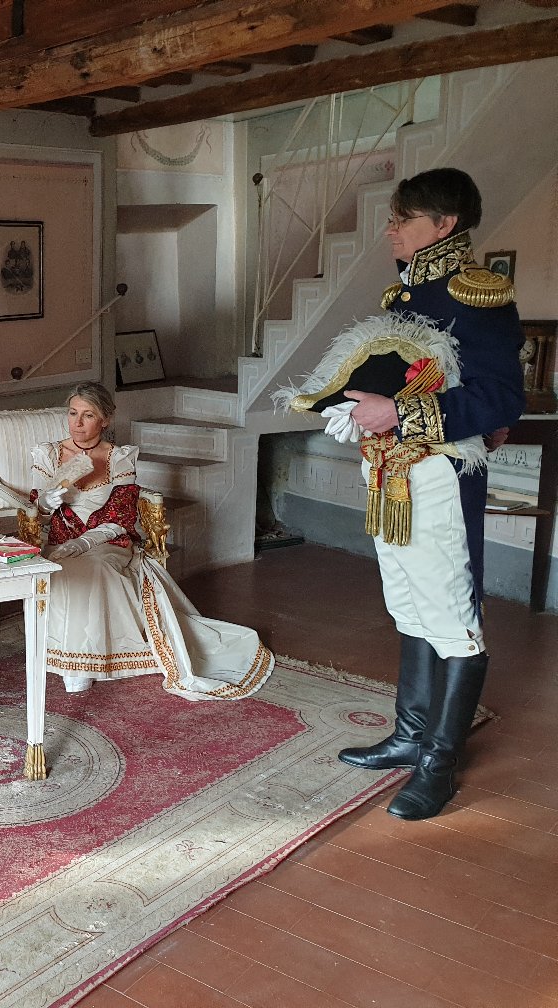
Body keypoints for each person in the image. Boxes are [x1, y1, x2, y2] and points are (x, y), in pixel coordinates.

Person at [290, 168, 524, 821]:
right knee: (410, 604)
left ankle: (439, 765)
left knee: (450, 614)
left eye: (402, 219)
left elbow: (502, 397)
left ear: (443, 225)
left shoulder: (478, 297)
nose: (389, 230)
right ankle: (411, 735)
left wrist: (397, 413)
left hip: (440, 475)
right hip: (391, 471)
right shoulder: (408, 293)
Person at [30, 381, 274, 700]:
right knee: (63, 571)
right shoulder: (48, 454)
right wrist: (45, 502)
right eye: (73, 413)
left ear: (105, 419)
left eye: (88, 415)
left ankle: (83, 666)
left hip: (106, 543)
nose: (77, 423)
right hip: (59, 541)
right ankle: (68, 660)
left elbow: (120, 518)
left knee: (94, 570)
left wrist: (83, 544)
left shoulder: (119, 458)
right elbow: (35, 514)